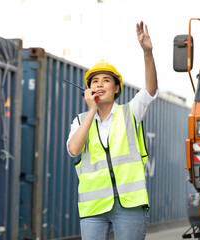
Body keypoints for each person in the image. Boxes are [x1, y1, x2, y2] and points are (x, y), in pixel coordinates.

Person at [66, 21, 158, 240]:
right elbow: (73, 150)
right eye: (95, 81)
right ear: (88, 90)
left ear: (116, 88)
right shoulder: (80, 121)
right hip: (93, 208)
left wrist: (147, 52)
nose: (100, 85)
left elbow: (151, 90)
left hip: (129, 205)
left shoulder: (130, 113)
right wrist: (91, 111)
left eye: (106, 81)